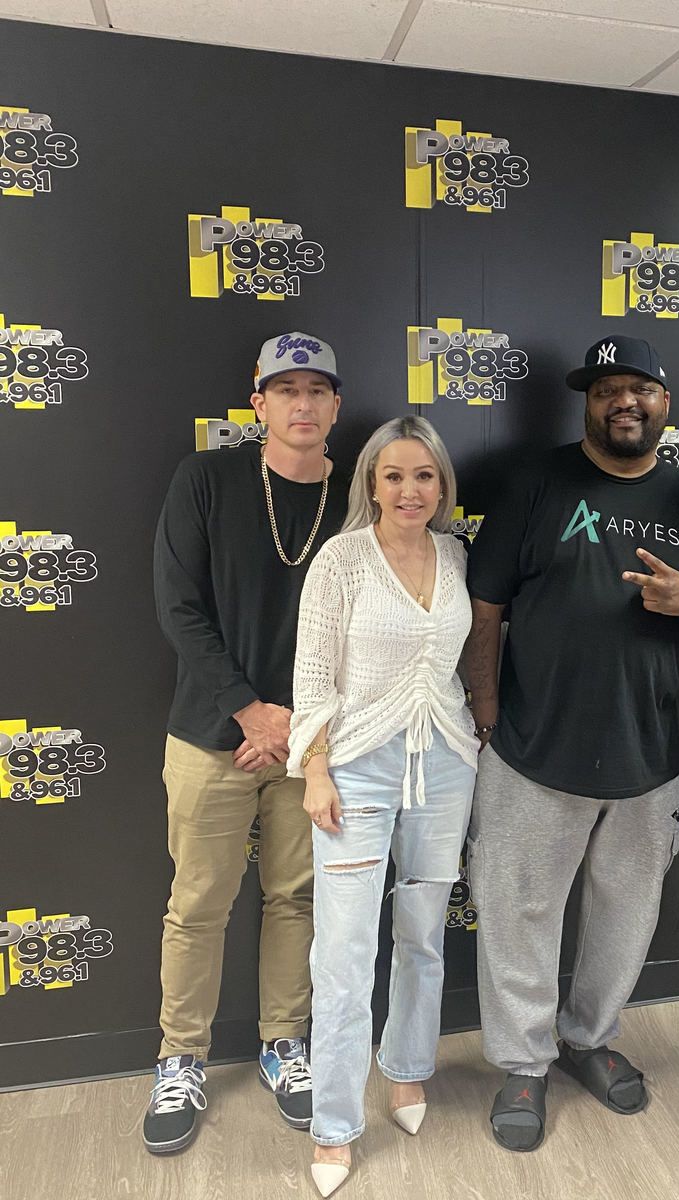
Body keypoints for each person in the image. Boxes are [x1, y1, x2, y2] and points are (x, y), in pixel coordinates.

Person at [465, 335, 679, 1152]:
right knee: (518, 910)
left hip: (646, 755)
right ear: (587, 402)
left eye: (639, 387)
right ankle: (523, 1062)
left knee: (625, 913)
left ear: (665, 404)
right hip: (532, 745)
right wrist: (485, 706)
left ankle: (589, 1038)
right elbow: (486, 607)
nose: (624, 401)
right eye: (607, 388)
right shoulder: (535, 484)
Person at [144, 333, 348, 1155]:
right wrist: (248, 711)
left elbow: (363, 628)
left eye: (317, 389)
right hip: (210, 738)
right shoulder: (205, 479)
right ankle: (180, 1058)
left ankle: (283, 1044)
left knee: (296, 899)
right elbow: (178, 607)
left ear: (335, 404)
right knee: (197, 906)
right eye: (286, 389)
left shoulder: (358, 497)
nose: (303, 403)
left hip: (313, 745)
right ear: (258, 402)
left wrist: (293, 725)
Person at [289, 416, 479, 1198]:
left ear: (442, 485)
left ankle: (405, 1070)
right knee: (342, 954)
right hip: (357, 770)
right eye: (395, 475)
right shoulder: (341, 560)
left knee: (423, 932)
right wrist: (316, 770)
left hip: (445, 764)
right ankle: (333, 1126)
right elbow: (312, 673)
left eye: (425, 476)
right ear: (371, 482)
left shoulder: (454, 554)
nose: (410, 490)